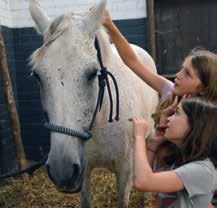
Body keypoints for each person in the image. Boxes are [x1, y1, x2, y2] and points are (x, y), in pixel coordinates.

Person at [130, 97, 217, 208]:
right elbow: (145, 178)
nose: (169, 119)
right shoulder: (178, 157)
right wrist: (152, 145)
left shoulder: (203, 169)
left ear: (195, 124)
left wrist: (139, 137)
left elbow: (142, 182)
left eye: (177, 113)